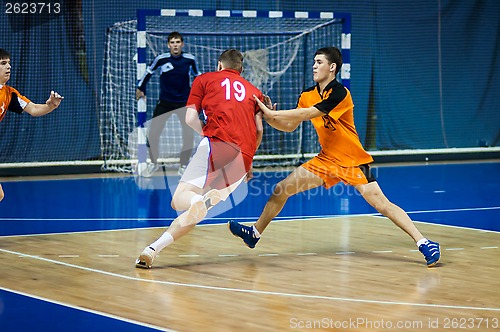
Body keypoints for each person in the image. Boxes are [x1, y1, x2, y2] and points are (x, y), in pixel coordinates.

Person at [228, 46, 441, 267]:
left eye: (319, 62)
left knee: (381, 204)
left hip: (351, 160)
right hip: (326, 159)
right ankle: (254, 233)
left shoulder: (340, 93)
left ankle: (424, 242)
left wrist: (274, 114)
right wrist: (268, 116)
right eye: (314, 61)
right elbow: (290, 125)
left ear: (332, 67)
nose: (314, 65)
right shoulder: (307, 95)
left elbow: (310, 113)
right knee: (281, 189)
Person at [135, 49, 266, 269]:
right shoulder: (255, 92)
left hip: (216, 143)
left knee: (180, 200)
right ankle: (153, 249)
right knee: (199, 211)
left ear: (219, 65)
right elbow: (259, 130)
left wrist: (205, 134)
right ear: (241, 70)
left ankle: (194, 201)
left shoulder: (204, 79)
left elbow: (189, 118)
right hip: (243, 158)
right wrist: (249, 162)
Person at [0, 48, 64, 202]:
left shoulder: (9, 94)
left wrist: (51, 106)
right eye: (3, 63)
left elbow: (34, 109)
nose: (9, 67)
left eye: (9, 63)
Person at [136, 31, 201, 177]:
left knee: (188, 135)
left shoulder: (190, 60)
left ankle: (183, 165)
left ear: (182, 44)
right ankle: (153, 163)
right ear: (168, 45)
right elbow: (148, 72)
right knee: (153, 133)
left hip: (184, 103)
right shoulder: (161, 59)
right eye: (172, 42)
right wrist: (140, 88)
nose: (175, 45)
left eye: (178, 42)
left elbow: (199, 78)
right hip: (164, 102)